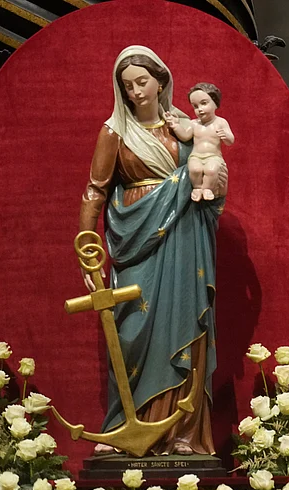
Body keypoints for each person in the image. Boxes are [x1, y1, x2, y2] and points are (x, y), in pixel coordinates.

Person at [79, 46, 225, 456]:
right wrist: (86, 249)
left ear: (160, 80)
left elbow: (211, 165)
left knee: (185, 323)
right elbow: (96, 190)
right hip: (136, 240)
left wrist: (213, 186)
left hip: (185, 235)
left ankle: (183, 434)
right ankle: (129, 426)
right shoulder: (115, 133)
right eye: (127, 86)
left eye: (142, 82)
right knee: (133, 335)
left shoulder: (184, 126)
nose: (136, 92)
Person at [167, 82, 233, 201]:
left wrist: (226, 136)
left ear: (215, 103)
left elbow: (230, 141)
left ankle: (207, 188)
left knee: (211, 170)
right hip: (196, 156)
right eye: (195, 106)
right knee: (194, 169)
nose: (200, 109)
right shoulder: (194, 123)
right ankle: (197, 188)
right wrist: (176, 125)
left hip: (214, 156)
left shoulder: (221, 122)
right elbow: (185, 136)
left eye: (204, 103)